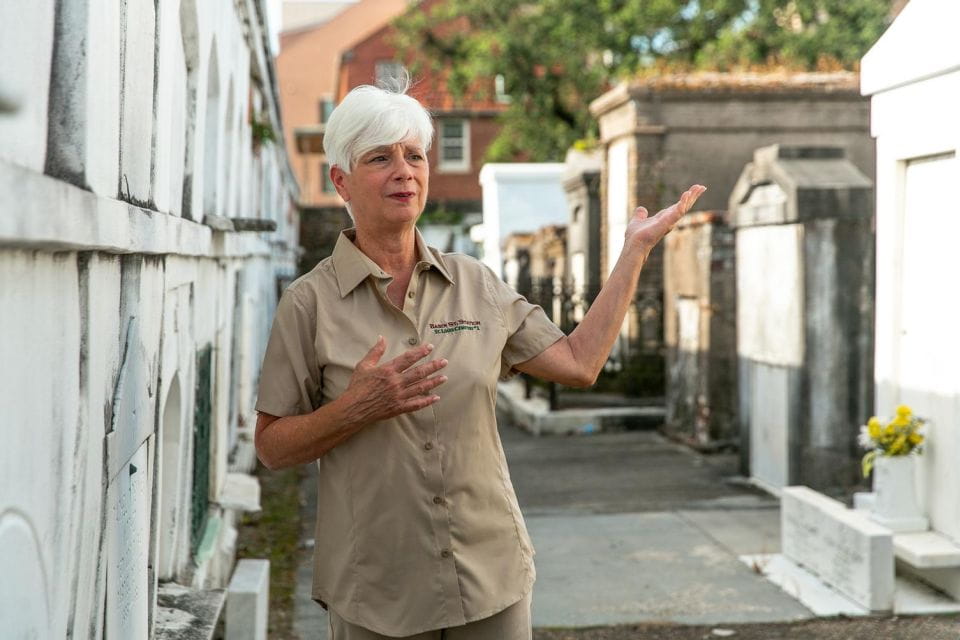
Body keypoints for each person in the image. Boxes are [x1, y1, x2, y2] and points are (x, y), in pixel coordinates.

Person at [254, 79, 705, 640]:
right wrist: (356, 408)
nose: (404, 171)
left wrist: (634, 250)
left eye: (414, 156)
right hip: (377, 592)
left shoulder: (475, 284)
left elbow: (580, 362)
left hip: (490, 579)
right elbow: (271, 447)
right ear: (340, 180)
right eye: (380, 158)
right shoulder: (308, 304)